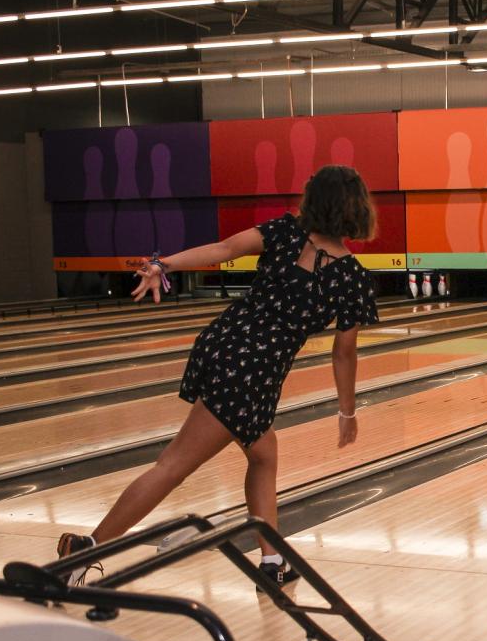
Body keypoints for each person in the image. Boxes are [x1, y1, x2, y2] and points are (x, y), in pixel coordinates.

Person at [56, 165, 379, 587]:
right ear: (357, 210)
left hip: (224, 345)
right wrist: (347, 412)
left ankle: (271, 561)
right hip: (252, 371)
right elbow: (344, 352)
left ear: (313, 201)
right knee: (173, 465)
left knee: (263, 455)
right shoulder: (353, 278)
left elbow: (223, 249)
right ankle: (87, 550)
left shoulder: (284, 231)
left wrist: (164, 264)